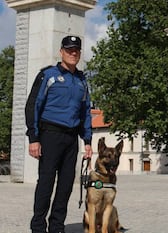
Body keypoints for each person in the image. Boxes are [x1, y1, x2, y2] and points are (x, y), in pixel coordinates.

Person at [25, 35, 93, 233]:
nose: (73, 53)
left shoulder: (82, 81)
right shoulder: (48, 75)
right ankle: (38, 227)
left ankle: (56, 227)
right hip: (50, 135)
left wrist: (87, 141)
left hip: (71, 139)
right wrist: (34, 138)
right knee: (46, 183)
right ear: (61, 51)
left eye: (76, 50)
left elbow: (85, 111)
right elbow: (32, 106)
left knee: (65, 186)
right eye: (69, 49)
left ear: (79, 54)